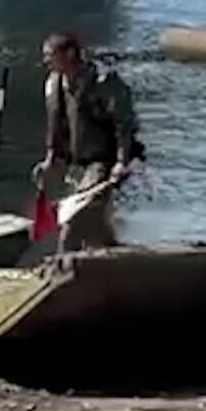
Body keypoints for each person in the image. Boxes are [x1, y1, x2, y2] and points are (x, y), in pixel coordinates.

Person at [36, 33, 139, 252]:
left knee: (73, 223)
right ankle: (116, 260)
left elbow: (124, 125)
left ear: (70, 54)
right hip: (75, 167)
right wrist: (51, 159)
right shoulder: (54, 84)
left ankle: (63, 268)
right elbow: (55, 125)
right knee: (95, 228)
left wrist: (121, 161)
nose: (46, 61)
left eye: (50, 55)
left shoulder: (103, 83)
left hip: (100, 163)